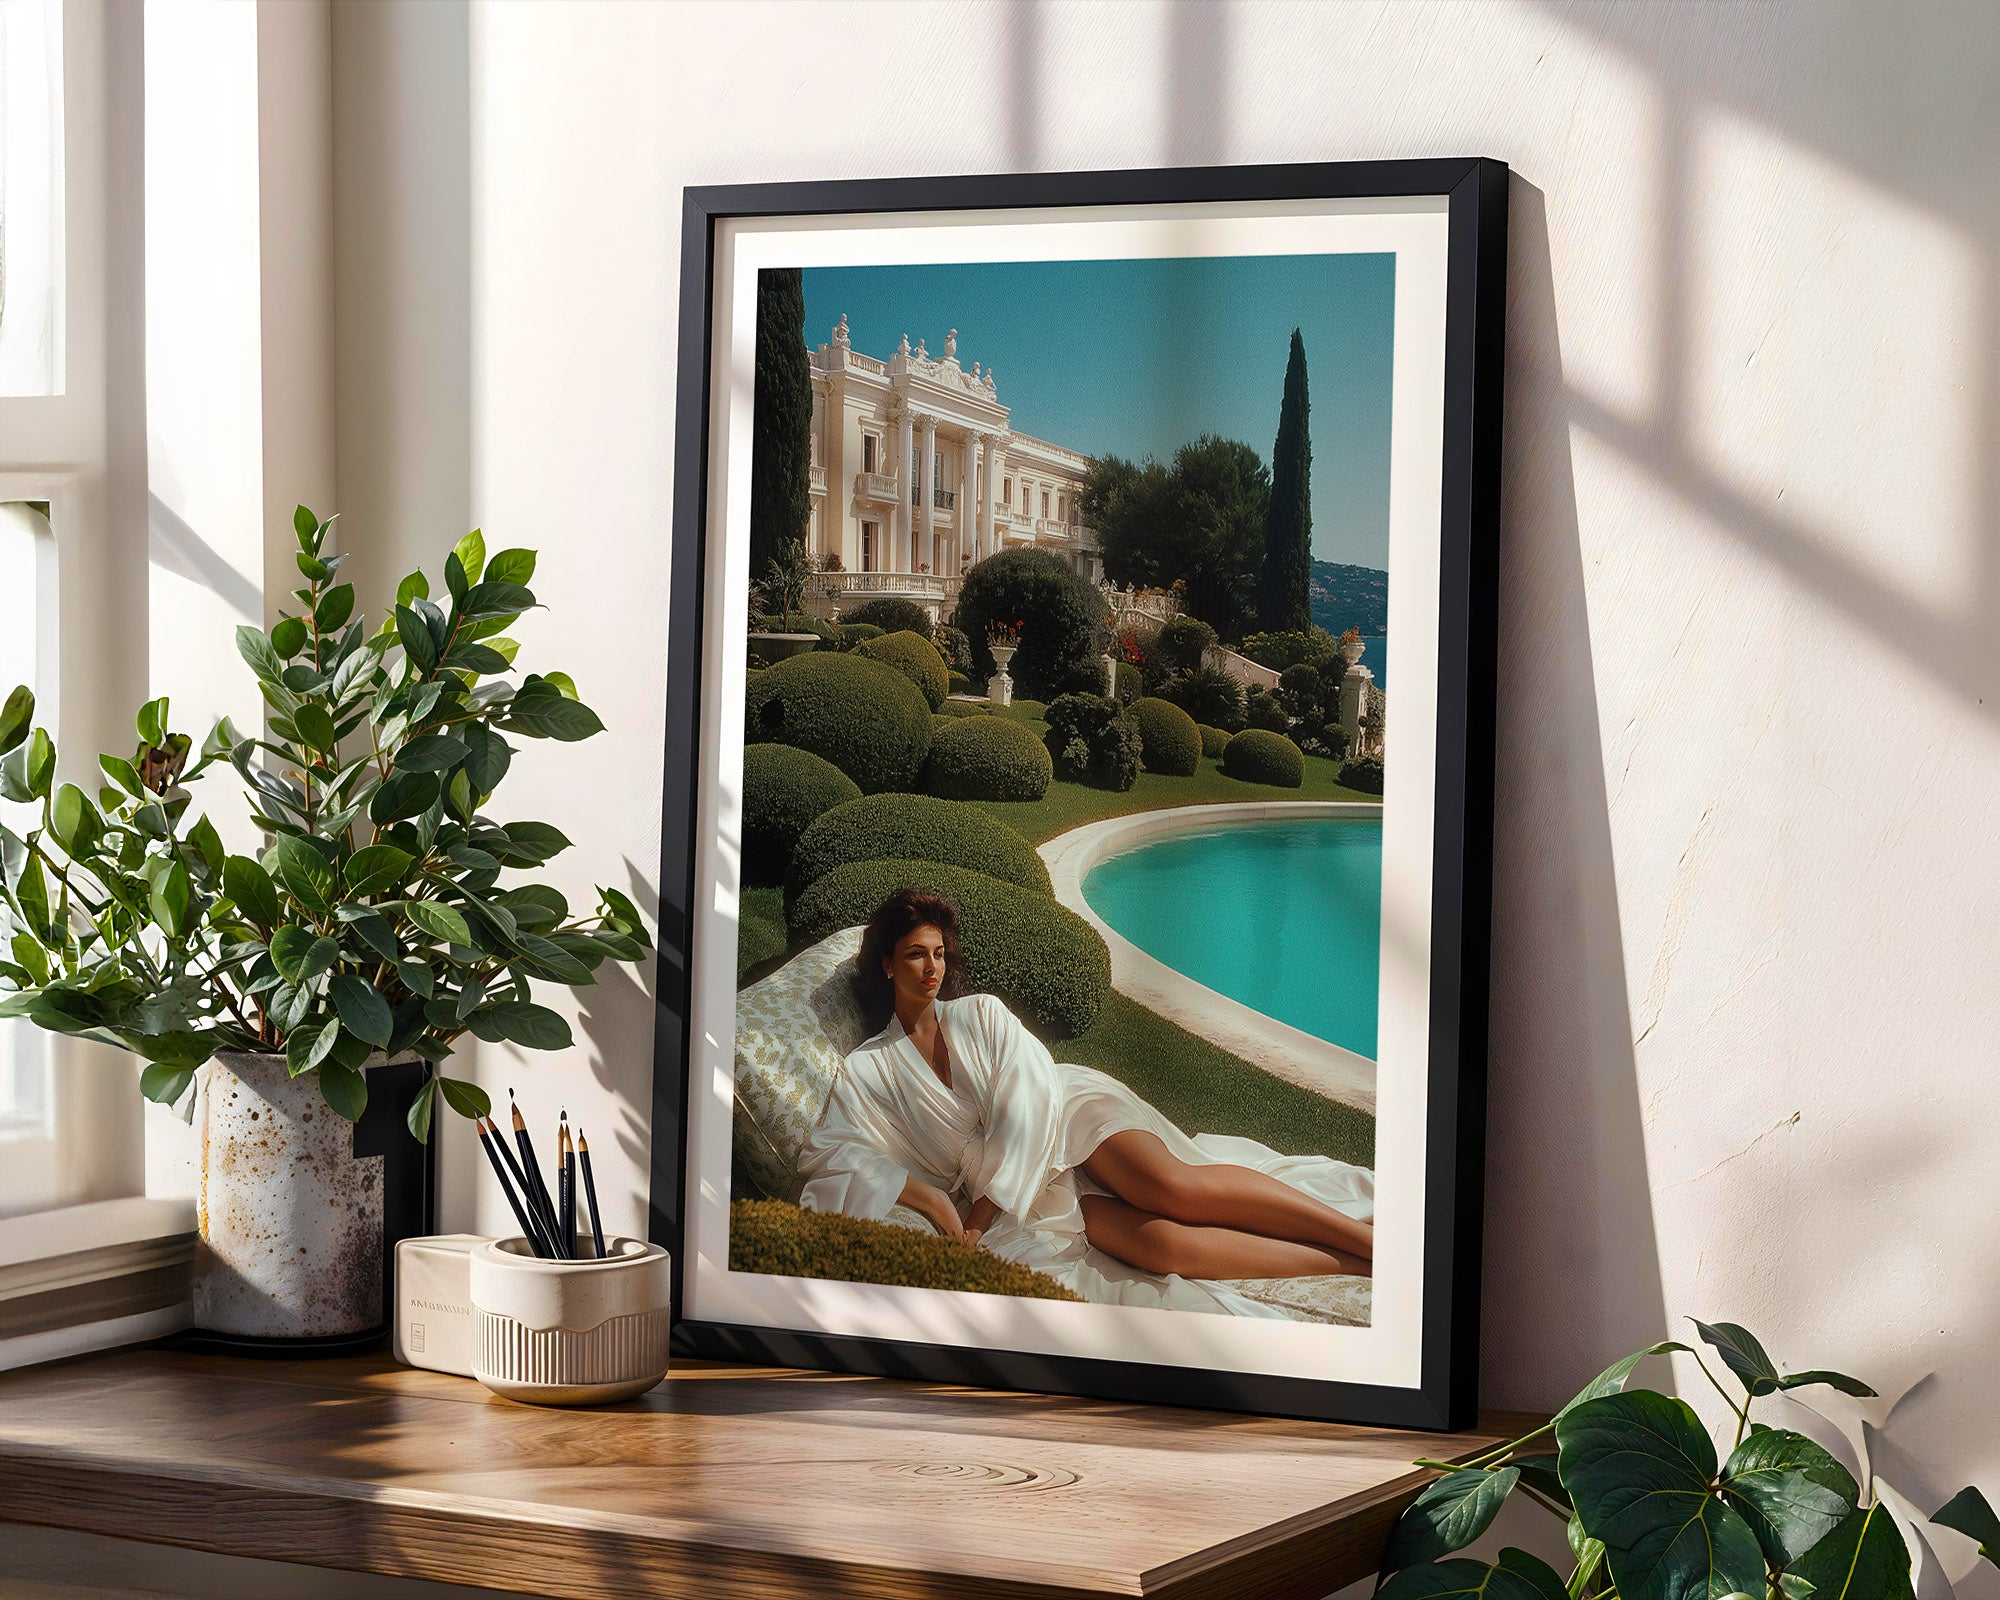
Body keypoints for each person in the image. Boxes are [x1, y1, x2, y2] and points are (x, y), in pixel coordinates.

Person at [797, 889, 1375, 1314]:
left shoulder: (980, 1013)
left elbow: (1029, 1096)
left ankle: (1365, 1239)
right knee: (1163, 1246)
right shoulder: (867, 1068)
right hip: (1020, 1189)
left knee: (1171, 1189)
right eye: (916, 954)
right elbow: (834, 1151)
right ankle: (1357, 1264)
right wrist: (928, 1199)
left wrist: (979, 1214)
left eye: (940, 953)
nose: (932, 968)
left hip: (1065, 1118)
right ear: (886, 963)